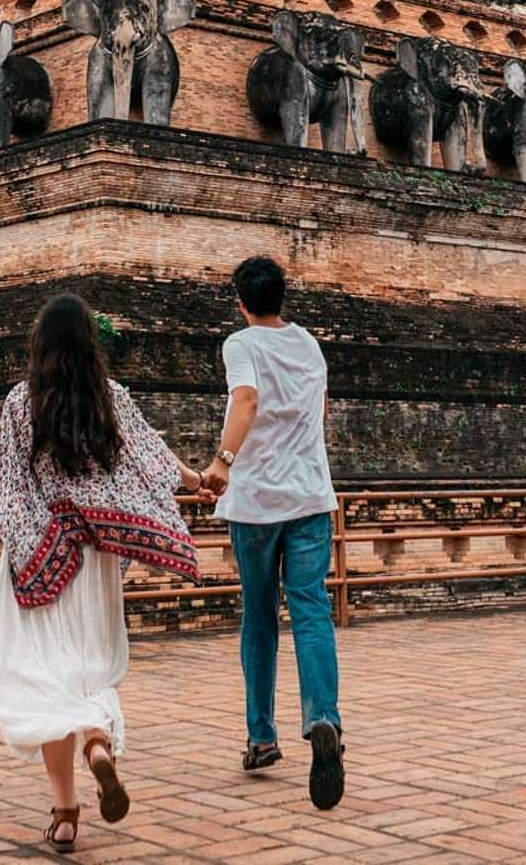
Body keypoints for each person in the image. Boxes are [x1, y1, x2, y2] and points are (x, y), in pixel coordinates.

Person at [0, 291, 203, 854]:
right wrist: (200, 478)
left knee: (42, 675)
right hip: (96, 562)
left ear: (41, 343)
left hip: (39, 558)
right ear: (88, 342)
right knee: (88, 667)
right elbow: (156, 458)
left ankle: (65, 812)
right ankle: (97, 743)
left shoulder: (20, 403)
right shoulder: (112, 399)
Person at [200, 254, 344, 811]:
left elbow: (247, 399)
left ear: (240, 300)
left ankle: (261, 738)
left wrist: (222, 461)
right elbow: (317, 413)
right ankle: (323, 719)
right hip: (310, 496)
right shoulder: (309, 344)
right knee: (311, 611)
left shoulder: (241, 345)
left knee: (259, 617)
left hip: (257, 500)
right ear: (282, 297)